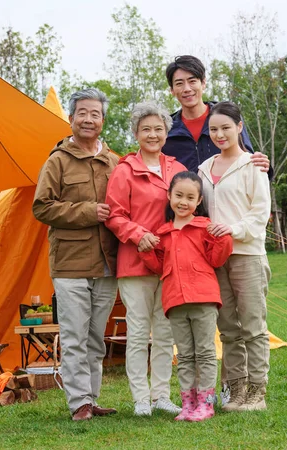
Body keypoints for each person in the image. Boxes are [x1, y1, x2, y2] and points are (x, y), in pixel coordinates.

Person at [32, 88, 120, 421]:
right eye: (82, 113)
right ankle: (79, 403)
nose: (88, 119)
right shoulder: (57, 160)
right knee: (74, 336)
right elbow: (41, 207)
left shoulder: (114, 161)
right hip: (70, 264)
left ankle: (91, 398)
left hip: (108, 263)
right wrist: (86, 211)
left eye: (95, 113)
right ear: (71, 119)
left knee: (96, 337)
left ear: (102, 119)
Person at [105, 101, 186, 417]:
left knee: (165, 332)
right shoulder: (125, 170)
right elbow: (114, 215)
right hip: (135, 263)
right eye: (146, 129)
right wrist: (138, 235)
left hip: (169, 263)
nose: (153, 134)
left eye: (158, 129)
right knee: (138, 332)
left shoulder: (178, 170)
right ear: (136, 133)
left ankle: (161, 396)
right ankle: (141, 398)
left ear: (167, 132)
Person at [139, 171, 233, 422]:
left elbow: (217, 258)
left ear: (199, 200)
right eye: (178, 195)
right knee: (184, 355)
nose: (183, 202)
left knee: (204, 352)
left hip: (203, 299)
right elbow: (158, 266)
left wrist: (223, 238)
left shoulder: (206, 227)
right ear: (169, 196)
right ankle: (188, 404)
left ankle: (206, 403)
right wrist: (146, 250)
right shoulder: (163, 233)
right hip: (175, 302)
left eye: (190, 197)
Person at [198, 101, 272, 412]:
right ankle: (237, 390)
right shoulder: (204, 169)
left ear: (239, 127)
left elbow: (259, 214)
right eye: (213, 129)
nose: (219, 134)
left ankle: (258, 392)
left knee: (253, 325)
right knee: (228, 327)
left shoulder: (252, 165)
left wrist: (232, 229)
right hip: (216, 258)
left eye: (226, 127)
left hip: (246, 253)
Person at [162, 55, 270, 175]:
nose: (187, 89)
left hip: (227, 192)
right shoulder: (166, 130)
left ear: (203, 83)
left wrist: (262, 164)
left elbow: (247, 161)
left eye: (192, 81)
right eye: (179, 83)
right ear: (171, 90)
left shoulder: (227, 117)